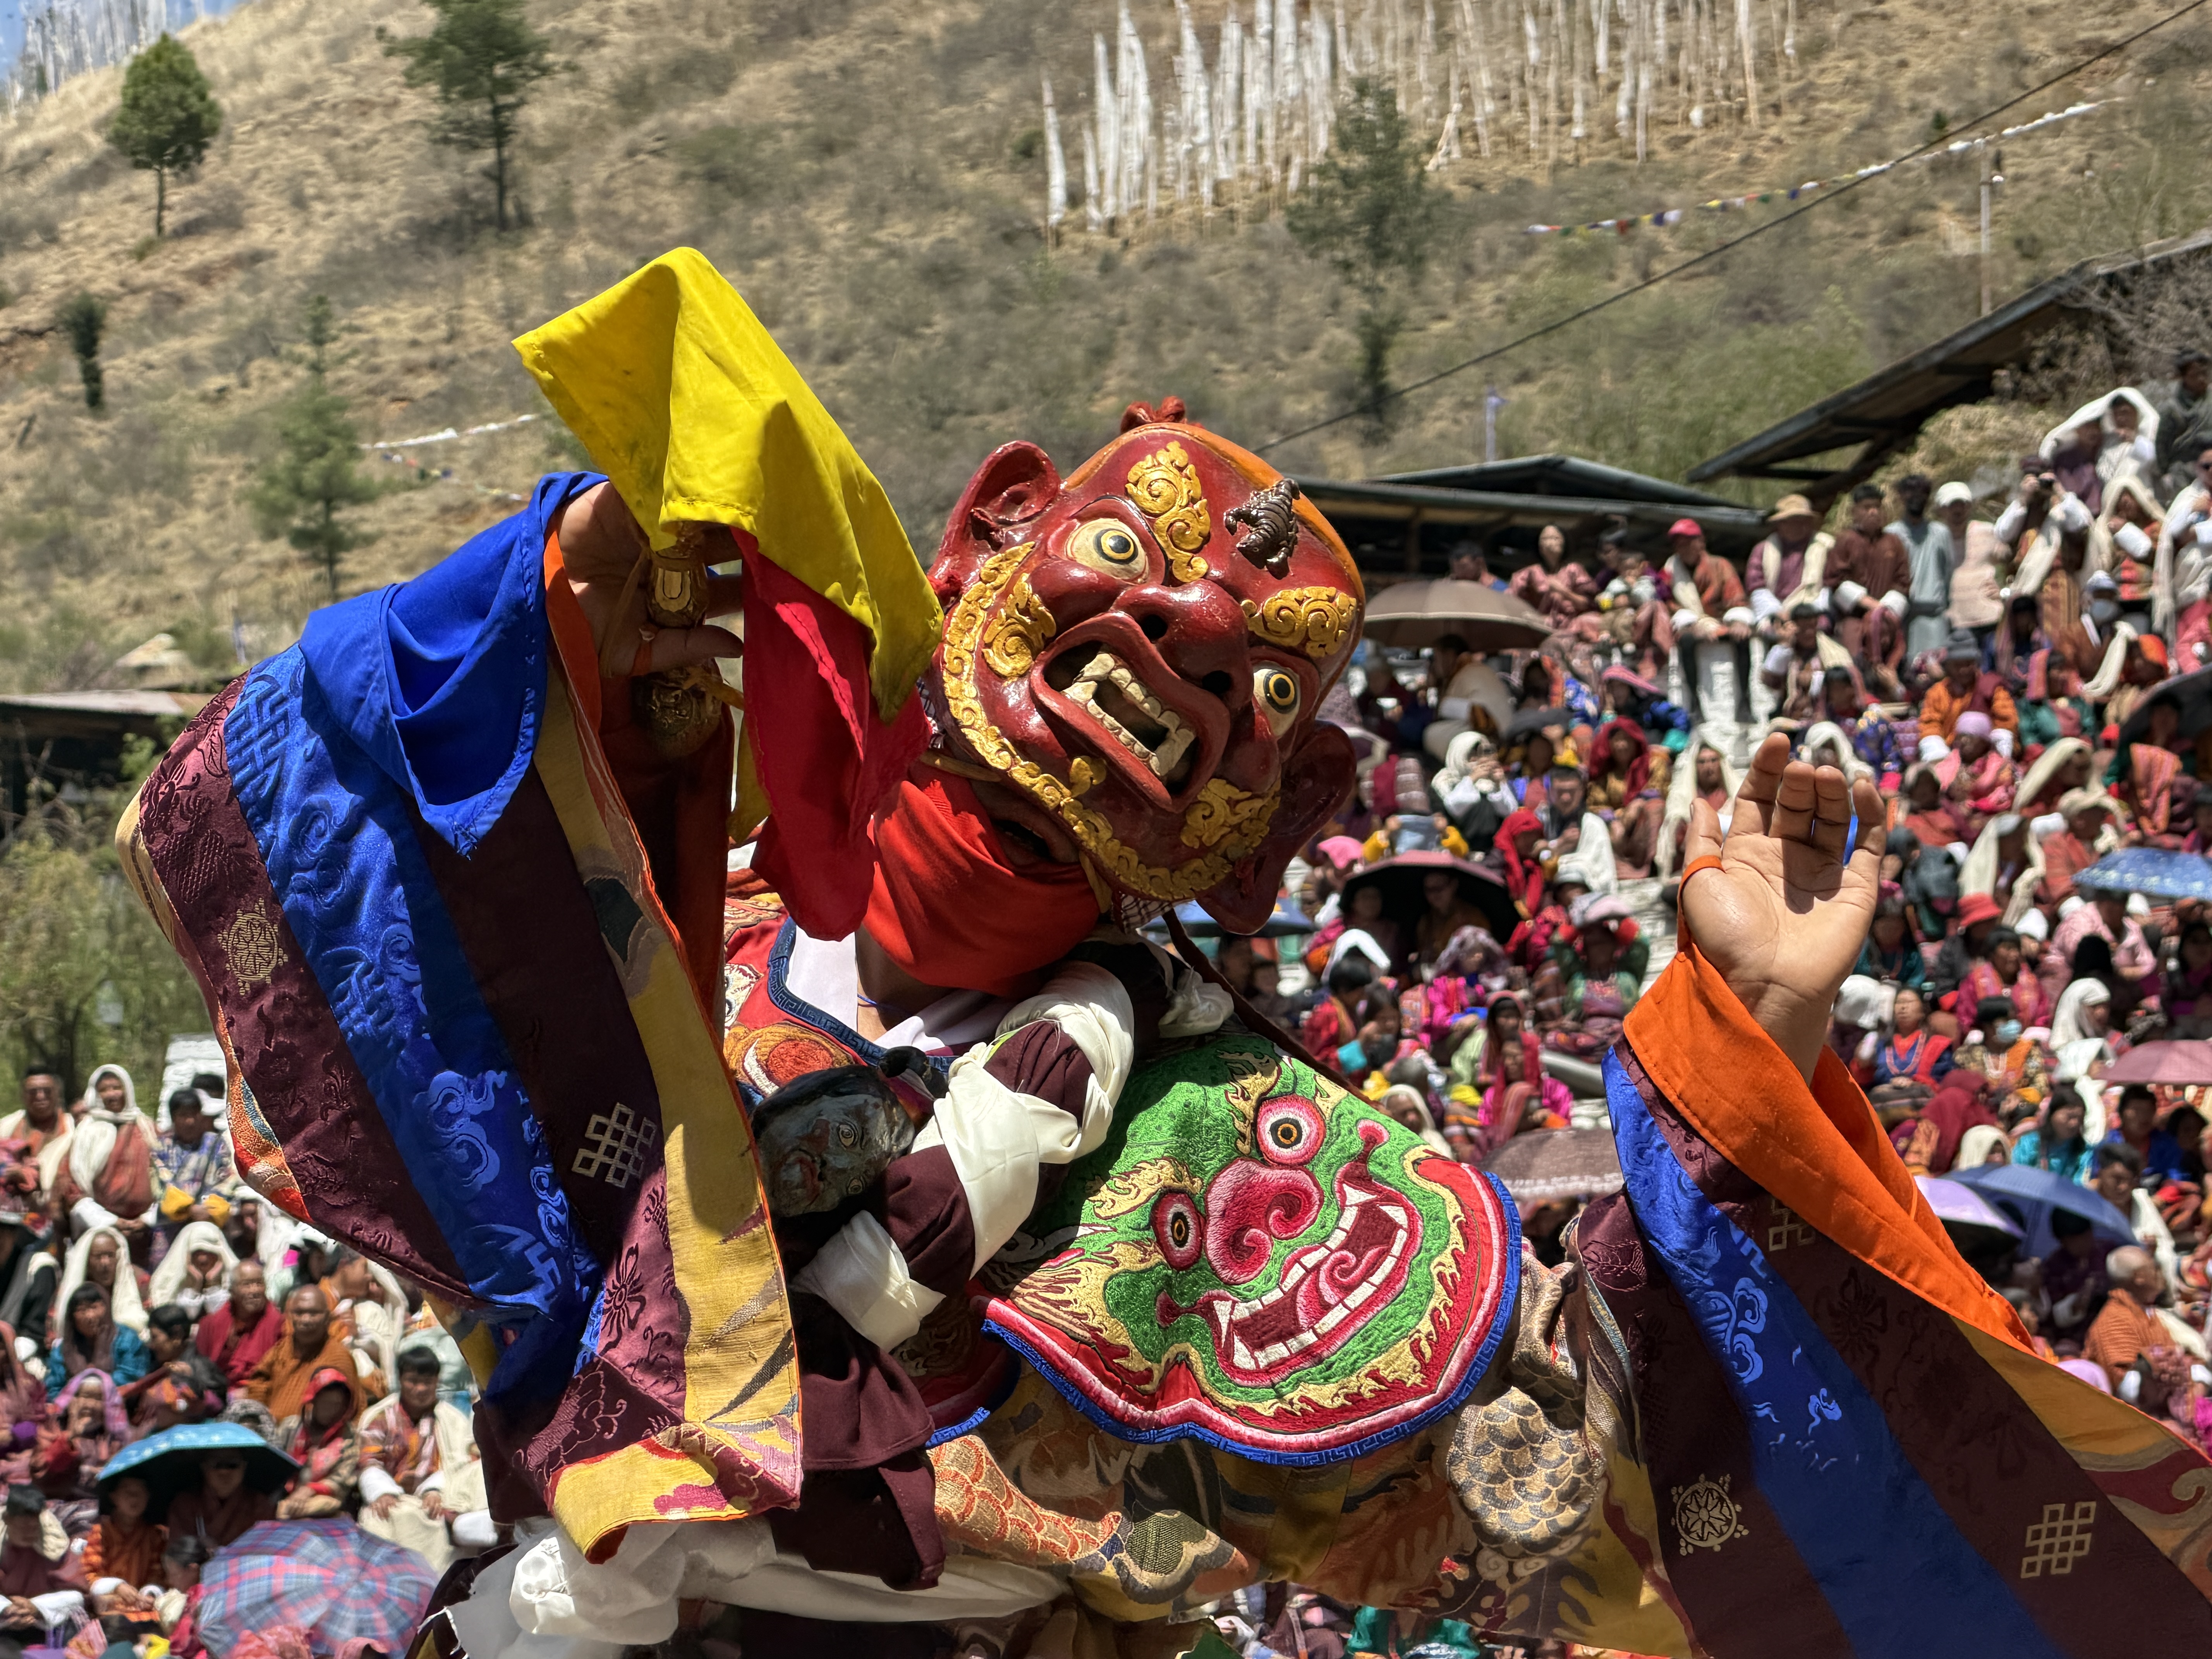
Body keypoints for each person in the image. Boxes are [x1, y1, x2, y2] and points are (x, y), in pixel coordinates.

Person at [357, 1347, 482, 1572]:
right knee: (382, 1521)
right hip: (394, 1499)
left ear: (437, 1382)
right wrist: (383, 1492)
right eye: (413, 1381)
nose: (421, 1389)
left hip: (441, 1499)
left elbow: (461, 1465)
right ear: (401, 1380)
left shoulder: (451, 1418)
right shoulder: (380, 1416)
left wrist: (435, 1490)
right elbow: (370, 1462)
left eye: (428, 1382)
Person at [2083, 1246, 2209, 1441]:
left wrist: (2195, 1386)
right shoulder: (2114, 1320)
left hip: (2175, 1407)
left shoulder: (2145, 1313)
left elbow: (2185, 1359)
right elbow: (2127, 1387)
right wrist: (2169, 1376)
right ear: (2139, 1277)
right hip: (2138, 1422)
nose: (2160, 1273)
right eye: (2155, 1268)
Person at [58, 1068, 158, 1263]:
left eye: (116, 1087)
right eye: (105, 1090)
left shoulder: (147, 1128)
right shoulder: (85, 1132)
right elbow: (72, 1187)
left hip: (146, 1231)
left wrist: (147, 1219)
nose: (112, 1094)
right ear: (96, 1094)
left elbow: (166, 1174)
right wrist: (109, 1221)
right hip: (99, 1230)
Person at [244, 1287, 366, 1423]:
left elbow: (344, 1411)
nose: (306, 1320)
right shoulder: (282, 1350)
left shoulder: (337, 1358)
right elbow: (259, 1384)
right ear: (290, 1316)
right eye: (299, 1313)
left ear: (327, 1318)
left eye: (314, 1314)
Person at [148, 1093, 235, 1261]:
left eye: (194, 1114)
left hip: (209, 1220)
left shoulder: (217, 1144)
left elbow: (226, 1179)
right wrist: (188, 1209)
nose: (190, 1121)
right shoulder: (161, 1147)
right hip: (170, 1225)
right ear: (174, 1117)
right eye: (183, 1115)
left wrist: (208, 1208)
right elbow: (161, 1182)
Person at [118, 1306, 222, 1436]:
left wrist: (192, 1383)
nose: (151, 1345)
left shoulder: (199, 1368)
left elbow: (215, 1407)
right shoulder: (155, 1365)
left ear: (177, 1335)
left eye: (155, 1337)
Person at [274, 1368, 362, 1519]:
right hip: (284, 1494)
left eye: (337, 1405)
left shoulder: (349, 1437)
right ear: (313, 1399)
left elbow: (342, 1479)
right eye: (326, 1403)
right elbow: (274, 1464)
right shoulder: (290, 1428)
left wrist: (310, 1490)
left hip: (322, 1499)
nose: (331, 1411)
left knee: (327, 1504)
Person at [1888, 473, 1956, 663]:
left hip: (1934, 615)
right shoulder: (1892, 534)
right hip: (1903, 617)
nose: (1916, 498)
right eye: (1910, 493)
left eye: (1921, 493)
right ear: (1902, 497)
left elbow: (1948, 571)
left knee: (1934, 668)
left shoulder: (1940, 533)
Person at [0, 1484, 83, 1632]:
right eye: (23, 1528)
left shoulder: (53, 1544)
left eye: (34, 1528)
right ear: (7, 1519)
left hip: (44, 1620)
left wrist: (35, 1607)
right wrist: (7, 1609)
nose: (30, 1534)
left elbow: (77, 1595)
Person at [1747, 493, 1831, 632]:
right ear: (1780, 524)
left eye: (1802, 521)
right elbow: (1757, 588)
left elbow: (1829, 586)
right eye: (1792, 521)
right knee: (1772, 631)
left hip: (1813, 609)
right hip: (1775, 610)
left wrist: (1809, 613)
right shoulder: (1763, 550)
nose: (1798, 526)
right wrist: (1779, 613)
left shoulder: (1825, 547)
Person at [1919, 629, 2018, 745]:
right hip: (1947, 753)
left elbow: (2006, 722)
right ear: (1947, 666)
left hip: (1987, 751)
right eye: (1957, 665)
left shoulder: (1992, 688)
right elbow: (1929, 725)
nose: (1963, 670)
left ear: (1977, 663)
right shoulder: (1937, 693)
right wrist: (1940, 752)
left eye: (1968, 664)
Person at [45, 1286, 146, 1399]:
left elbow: (132, 1376)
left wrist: (95, 1388)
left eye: (94, 1307)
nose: (90, 1316)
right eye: (82, 1310)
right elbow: (54, 1389)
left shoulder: (127, 1339)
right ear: (72, 1318)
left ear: (107, 1308)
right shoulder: (63, 1350)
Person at [192, 1260, 279, 1392]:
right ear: (232, 1291)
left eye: (259, 1283)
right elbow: (201, 1369)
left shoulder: (278, 1324)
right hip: (216, 1394)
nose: (255, 1290)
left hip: (258, 1395)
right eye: (247, 1285)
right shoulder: (210, 1325)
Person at [161, 1451, 276, 1550]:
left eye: (233, 1465)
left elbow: (265, 1549)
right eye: (217, 1465)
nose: (224, 1472)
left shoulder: (259, 1504)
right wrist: (198, 1549)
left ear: (244, 1467)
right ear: (204, 1467)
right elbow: (178, 1555)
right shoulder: (185, 1503)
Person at [1759, 601, 1851, 723]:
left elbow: (1843, 682)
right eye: (1803, 628)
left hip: (1825, 718)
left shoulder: (1833, 652)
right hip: (1792, 719)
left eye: (1812, 627)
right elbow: (1770, 681)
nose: (1808, 632)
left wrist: (1816, 679)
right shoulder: (1788, 653)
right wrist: (1785, 645)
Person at [81, 1474, 165, 1609]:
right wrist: (117, 1587)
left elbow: (157, 1575)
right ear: (114, 1497)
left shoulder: (155, 1536)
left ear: (148, 1496)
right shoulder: (99, 1533)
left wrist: (150, 1594)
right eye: (128, 1492)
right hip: (109, 1605)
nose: (134, 1498)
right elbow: (89, 1575)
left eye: (140, 1492)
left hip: (142, 1605)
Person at [0, 1073, 73, 1218]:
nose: (40, 1096)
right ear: (23, 1096)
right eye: (33, 1092)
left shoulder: (75, 1130)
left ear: (58, 1094)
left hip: (60, 1214)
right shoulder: (6, 1128)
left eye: (47, 1091)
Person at [2036, 789, 2119, 909]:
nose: (2103, 818)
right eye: (2097, 813)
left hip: (2104, 905)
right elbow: (2062, 891)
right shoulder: (2057, 843)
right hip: (2070, 906)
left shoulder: (2104, 842)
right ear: (2079, 820)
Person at [1504, 523, 1597, 630]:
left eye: (1555, 538)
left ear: (1564, 543)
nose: (1550, 543)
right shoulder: (1529, 573)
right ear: (1540, 546)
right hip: (1539, 626)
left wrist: (1563, 591)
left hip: (1571, 627)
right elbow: (1511, 599)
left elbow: (1587, 604)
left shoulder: (1574, 570)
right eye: (1545, 539)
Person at [144, 1223, 234, 1324]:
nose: (203, 1259)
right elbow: (183, 1319)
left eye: (209, 1252)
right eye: (197, 1252)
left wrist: (212, 1286)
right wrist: (195, 1287)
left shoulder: (235, 1279)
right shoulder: (167, 1283)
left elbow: (223, 1318)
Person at [2155, 349, 2212, 498]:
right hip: (2185, 469)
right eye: (2195, 376)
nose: (2201, 379)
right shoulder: (2172, 409)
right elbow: (2162, 445)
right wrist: (2166, 473)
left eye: (2204, 374)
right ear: (2183, 378)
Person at [2107, 1084, 2189, 1185]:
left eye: (2149, 1110)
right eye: (2136, 1110)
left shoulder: (2167, 1143)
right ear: (2121, 1113)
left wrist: (2159, 1198)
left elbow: (2177, 1178)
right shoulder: (2109, 1145)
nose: (2143, 1117)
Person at [1872, 986, 1951, 1086]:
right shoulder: (1883, 1043)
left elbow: (1944, 1080)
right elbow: (1868, 1079)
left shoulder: (1937, 1044)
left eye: (1909, 1002)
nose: (1903, 1007)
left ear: (1923, 1010)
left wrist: (1915, 1082)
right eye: (1899, 1002)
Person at [2014, 1086, 2094, 1183]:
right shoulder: (2031, 1143)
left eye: (2080, 1118)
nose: (2075, 1124)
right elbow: (2016, 1174)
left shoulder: (2083, 1151)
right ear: (2052, 1115)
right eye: (2070, 1117)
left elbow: (2079, 1184)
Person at [1853, 896, 1928, 991]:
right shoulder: (1860, 954)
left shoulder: (1912, 956)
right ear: (1873, 929)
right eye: (1884, 929)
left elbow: (1916, 983)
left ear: (1904, 930)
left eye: (1895, 929)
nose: (1890, 933)